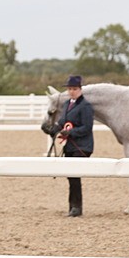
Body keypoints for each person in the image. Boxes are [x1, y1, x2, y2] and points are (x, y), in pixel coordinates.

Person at [57, 75, 94, 217]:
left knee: (74, 176)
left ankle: (76, 207)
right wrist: (54, 129)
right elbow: (62, 121)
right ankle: (73, 206)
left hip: (82, 146)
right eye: (70, 89)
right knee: (70, 176)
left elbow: (87, 127)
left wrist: (69, 132)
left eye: (74, 89)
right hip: (70, 146)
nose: (72, 91)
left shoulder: (85, 106)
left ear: (80, 89)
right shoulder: (67, 104)